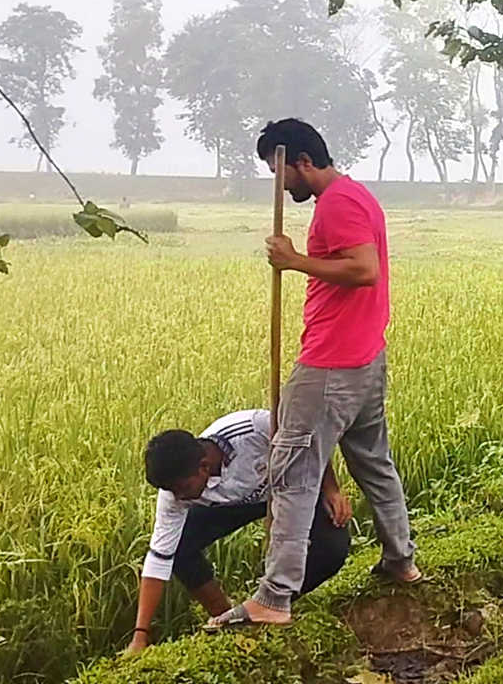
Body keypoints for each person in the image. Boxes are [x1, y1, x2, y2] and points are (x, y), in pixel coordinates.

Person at [207, 119, 419, 631]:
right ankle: (401, 560)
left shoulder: (338, 204)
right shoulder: (356, 195)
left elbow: (364, 269)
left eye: (280, 173)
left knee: (292, 472)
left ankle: (274, 597)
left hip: (330, 364)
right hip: (365, 359)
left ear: (302, 162)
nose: (281, 186)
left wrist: (294, 260)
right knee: (374, 463)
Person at [127, 410, 351, 651]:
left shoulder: (257, 429)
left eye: (183, 489)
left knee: (333, 549)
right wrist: (140, 634)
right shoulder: (175, 493)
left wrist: (331, 489)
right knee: (180, 546)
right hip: (236, 503)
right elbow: (159, 558)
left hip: (287, 487)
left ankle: (271, 603)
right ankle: (228, 618)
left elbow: (309, 442)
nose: (179, 497)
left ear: (204, 467)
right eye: (173, 492)